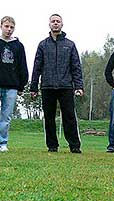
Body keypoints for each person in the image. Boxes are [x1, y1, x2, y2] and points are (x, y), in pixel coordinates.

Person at [30, 14, 83, 153]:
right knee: (49, 117)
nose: (55, 23)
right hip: (47, 86)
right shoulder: (42, 45)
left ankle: (74, 146)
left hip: (66, 86)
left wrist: (79, 86)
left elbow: (76, 66)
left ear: (62, 24)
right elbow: (37, 67)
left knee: (69, 117)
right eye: (53, 21)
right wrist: (33, 87)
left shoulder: (70, 45)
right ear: (49, 24)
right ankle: (52, 145)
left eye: (58, 21)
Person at [0, 16, 28, 152]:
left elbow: (22, 66)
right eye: (6, 26)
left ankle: (3, 143)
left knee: (6, 116)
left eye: (11, 27)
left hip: (11, 86)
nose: (9, 29)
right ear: (1, 26)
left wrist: (22, 85)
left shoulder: (18, 46)